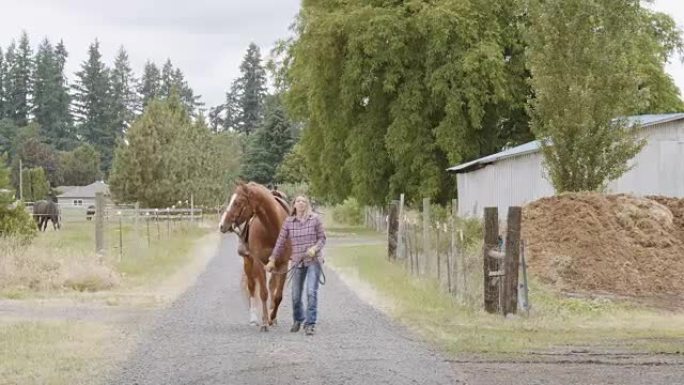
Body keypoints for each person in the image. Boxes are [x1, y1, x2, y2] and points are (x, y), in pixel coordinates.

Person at [265, 195, 326, 336]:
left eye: (304, 201)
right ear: (294, 205)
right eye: (298, 201)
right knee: (295, 295)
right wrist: (272, 259)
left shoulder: (315, 219)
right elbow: (280, 242)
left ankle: (310, 324)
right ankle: (298, 319)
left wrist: (315, 249)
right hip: (297, 262)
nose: (301, 203)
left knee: (311, 292)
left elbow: (322, 238)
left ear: (307, 205)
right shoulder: (289, 222)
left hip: (313, 261)